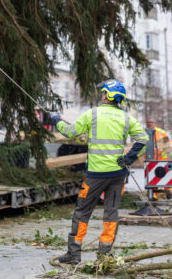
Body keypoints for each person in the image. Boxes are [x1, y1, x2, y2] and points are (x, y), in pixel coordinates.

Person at [49, 80, 149, 264]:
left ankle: (73, 254)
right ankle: (104, 255)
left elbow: (70, 132)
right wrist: (128, 159)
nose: (101, 95)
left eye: (103, 92)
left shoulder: (93, 114)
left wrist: (56, 120)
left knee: (82, 212)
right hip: (119, 175)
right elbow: (143, 139)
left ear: (107, 96)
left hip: (95, 176)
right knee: (111, 212)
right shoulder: (127, 118)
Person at [146, 118, 171, 200]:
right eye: (148, 122)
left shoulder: (161, 132)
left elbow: (167, 145)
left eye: (151, 122)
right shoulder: (144, 132)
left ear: (154, 123)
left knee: (166, 176)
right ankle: (154, 196)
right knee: (152, 177)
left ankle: (169, 192)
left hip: (162, 159)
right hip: (150, 159)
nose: (150, 124)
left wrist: (169, 157)